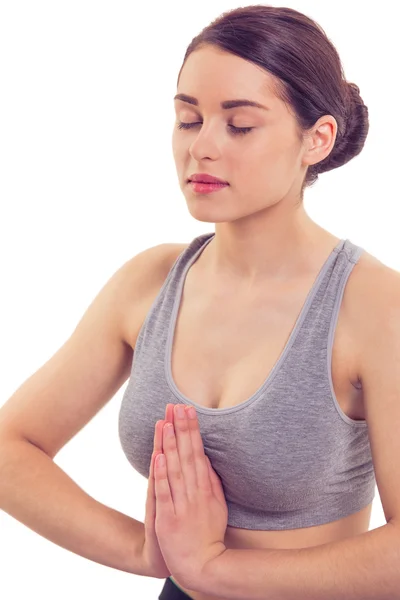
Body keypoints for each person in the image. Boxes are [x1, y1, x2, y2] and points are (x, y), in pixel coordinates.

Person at [0, 5, 385, 600]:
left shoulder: (375, 307)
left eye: (239, 125)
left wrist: (215, 569)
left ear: (317, 138)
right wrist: (145, 553)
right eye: (188, 119)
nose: (201, 148)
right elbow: (10, 450)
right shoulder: (150, 281)